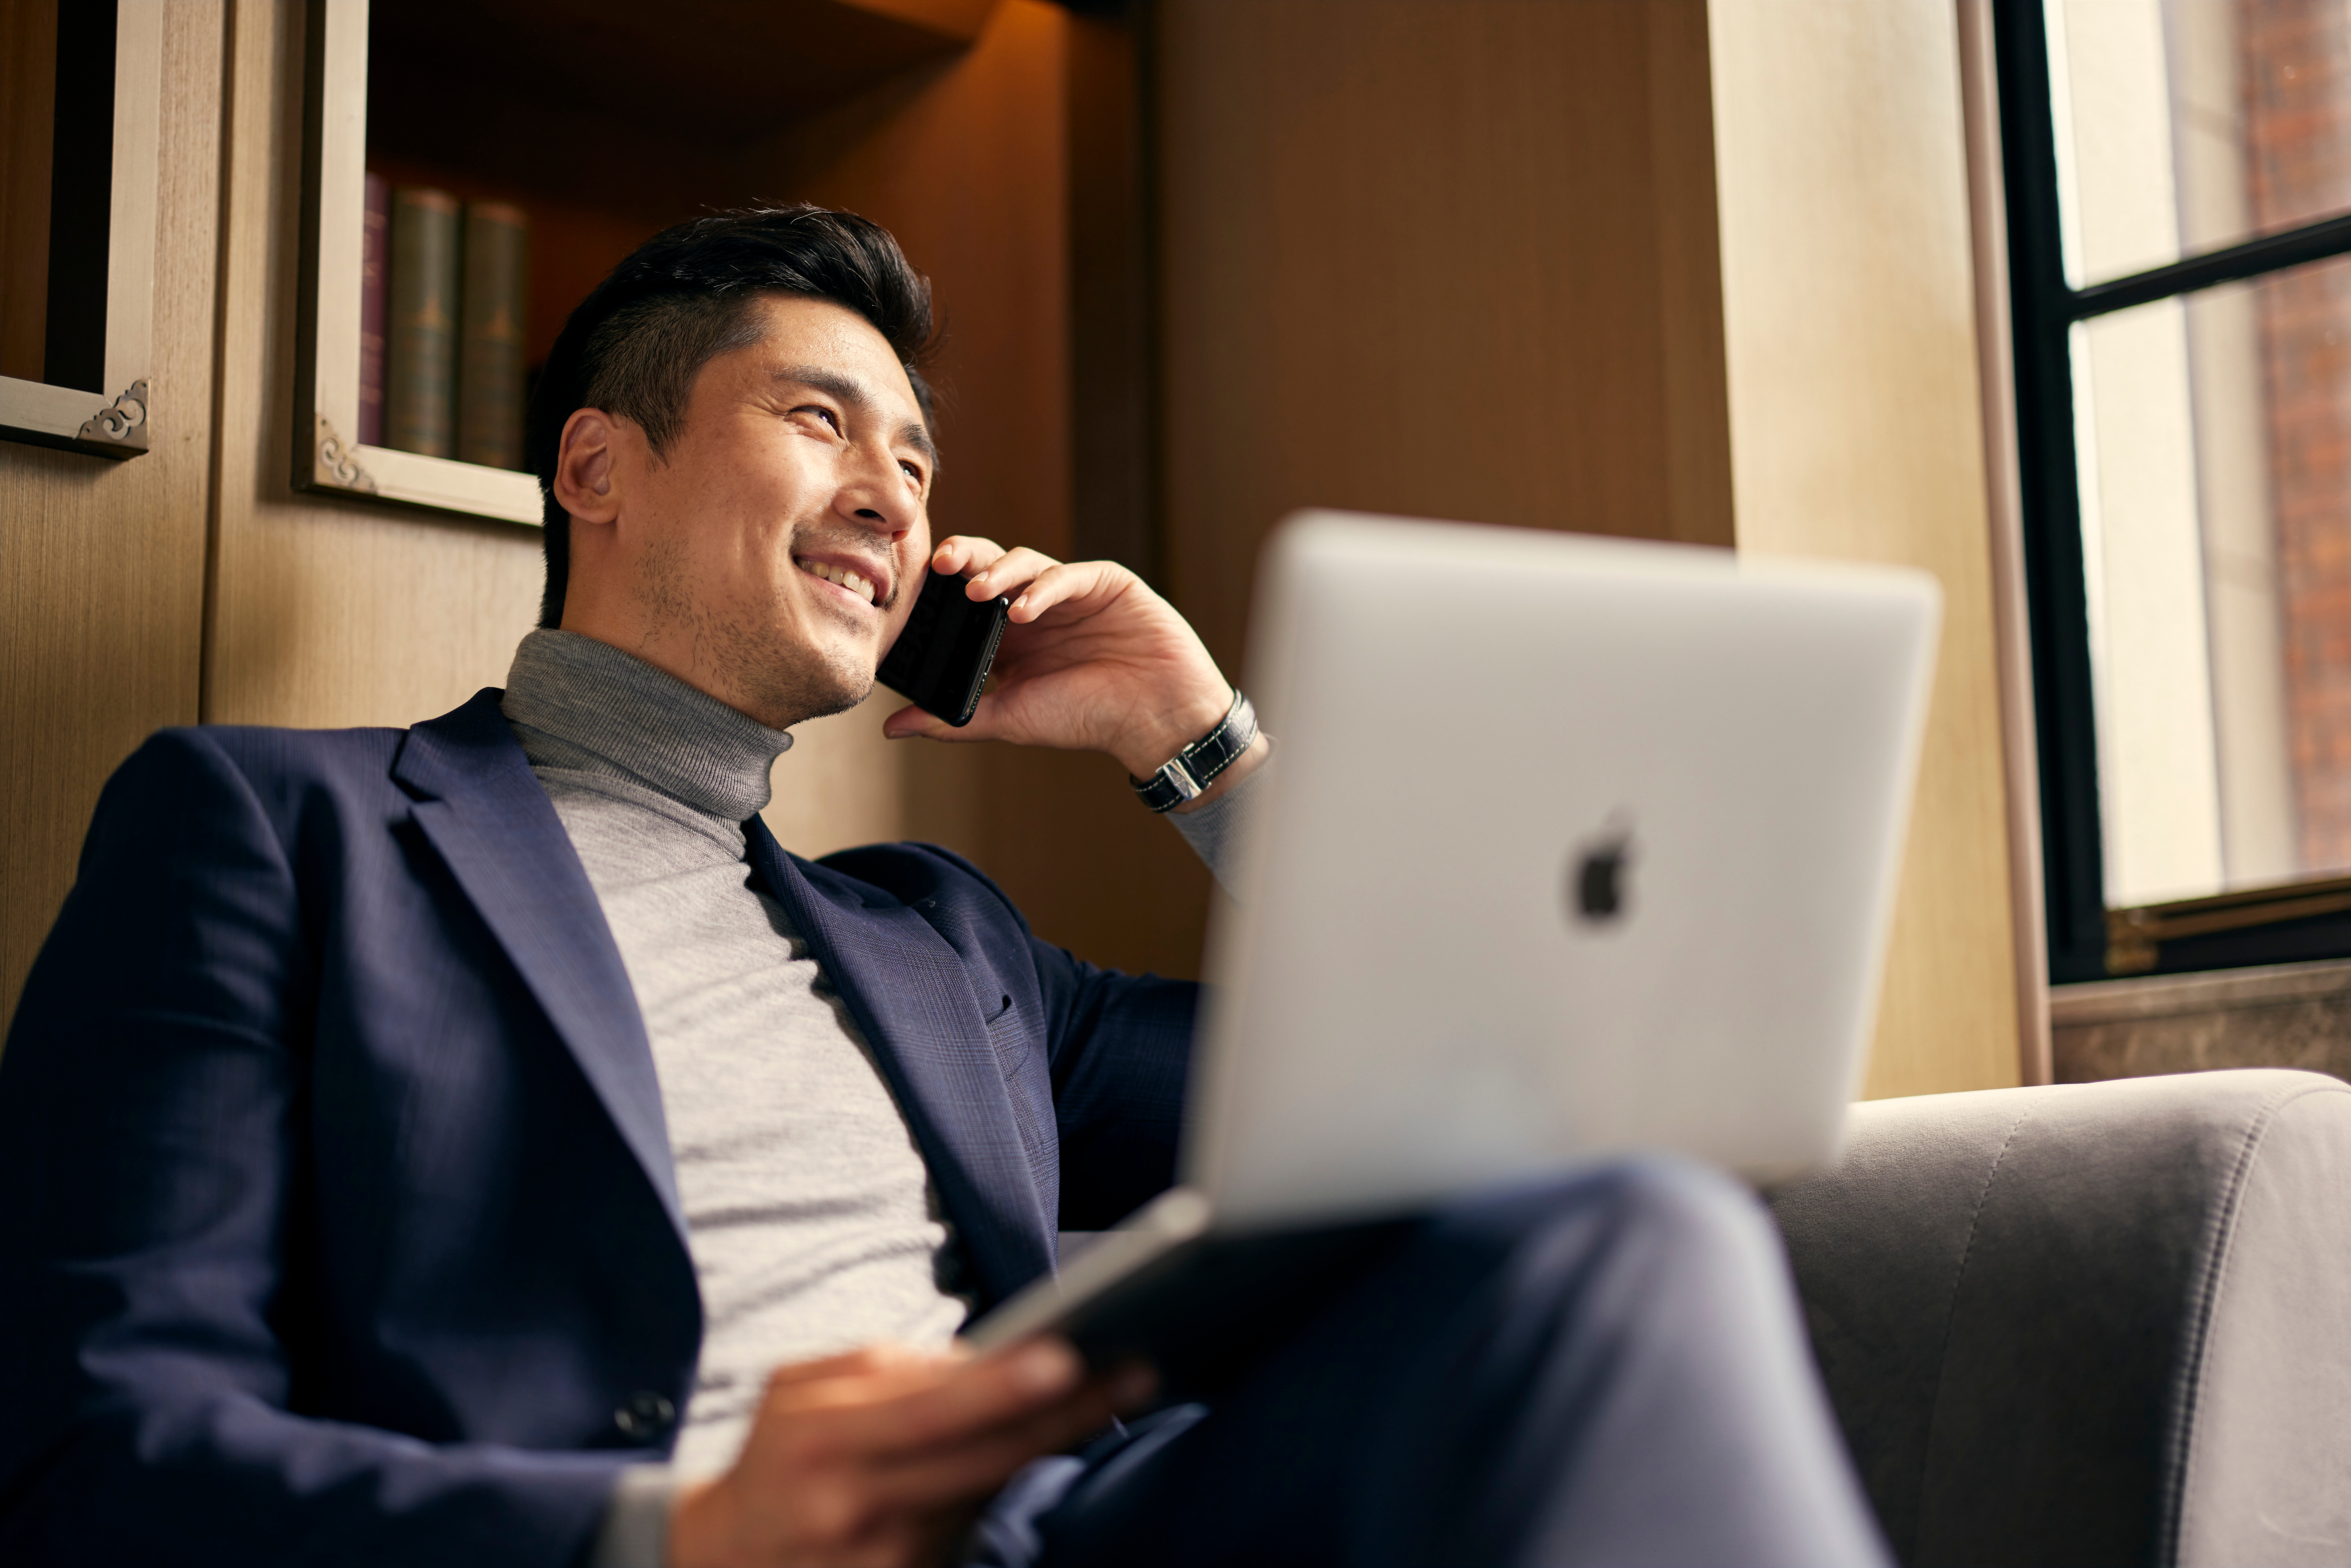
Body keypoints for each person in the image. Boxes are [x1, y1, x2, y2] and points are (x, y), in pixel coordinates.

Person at [0, 205, 1889, 1568]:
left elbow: (1506, 1085)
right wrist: (674, 1530)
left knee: (1631, 1224)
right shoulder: (274, 832)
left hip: (1101, 1520)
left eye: (917, 459)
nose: (897, 498)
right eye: (823, 422)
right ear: (596, 464)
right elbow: (99, 1451)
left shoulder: (946, 942)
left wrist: (1195, 737)